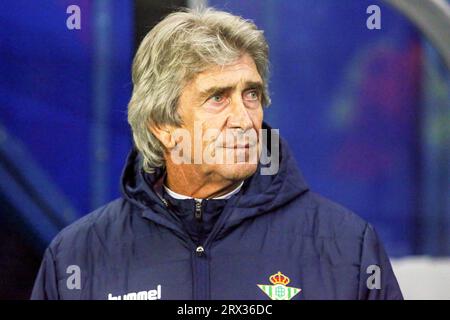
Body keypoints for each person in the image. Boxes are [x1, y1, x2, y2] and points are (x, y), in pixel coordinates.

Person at [31, 7, 403, 300]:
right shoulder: (77, 258)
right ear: (163, 125)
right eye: (218, 97)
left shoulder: (346, 247)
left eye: (252, 94)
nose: (243, 119)